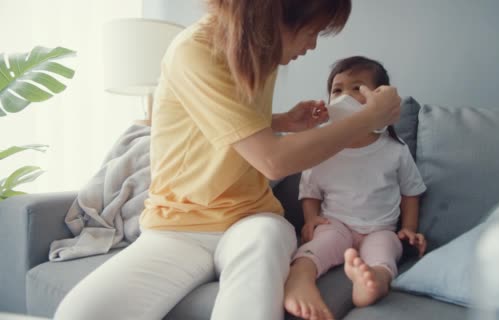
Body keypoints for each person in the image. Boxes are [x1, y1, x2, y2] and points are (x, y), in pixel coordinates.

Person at [54, 1, 402, 320]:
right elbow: (273, 161)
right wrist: (369, 118)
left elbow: (222, 125)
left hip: (253, 220)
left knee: (263, 243)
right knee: (79, 313)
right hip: (177, 227)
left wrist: (281, 121)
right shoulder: (197, 50)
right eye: (311, 32)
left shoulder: (259, 54)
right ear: (275, 14)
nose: (311, 46)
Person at [283, 56, 427, 320]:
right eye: (337, 90)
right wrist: (312, 219)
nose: (344, 95)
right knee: (321, 244)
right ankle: (300, 278)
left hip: (379, 228)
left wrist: (408, 228)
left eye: (356, 88)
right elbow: (310, 190)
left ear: (381, 99)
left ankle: (373, 281)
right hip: (336, 223)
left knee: (385, 250)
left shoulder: (395, 150)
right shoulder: (323, 148)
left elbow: (411, 192)